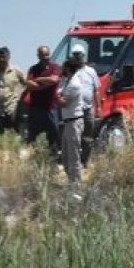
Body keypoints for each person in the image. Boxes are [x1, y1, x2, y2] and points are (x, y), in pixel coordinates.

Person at [56, 52, 87, 191]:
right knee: (65, 154)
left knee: (73, 155)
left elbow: (63, 103)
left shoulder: (74, 84)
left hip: (74, 122)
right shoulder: (66, 81)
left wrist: (54, 95)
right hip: (68, 122)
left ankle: (77, 186)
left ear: (68, 68)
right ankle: (71, 182)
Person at [24, 45, 61, 156]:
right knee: (33, 136)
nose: (46, 57)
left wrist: (39, 79)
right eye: (43, 55)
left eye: (47, 54)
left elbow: (54, 80)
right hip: (36, 108)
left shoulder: (55, 67)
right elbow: (30, 84)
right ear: (38, 56)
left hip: (51, 108)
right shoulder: (33, 69)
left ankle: (53, 158)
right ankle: (35, 158)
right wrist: (45, 85)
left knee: (53, 134)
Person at [71, 43, 100, 167]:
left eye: (79, 55)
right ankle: (76, 161)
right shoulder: (70, 71)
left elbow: (96, 90)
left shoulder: (91, 71)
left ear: (84, 56)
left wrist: (98, 107)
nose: (78, 58)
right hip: (75, 110)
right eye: (75, 55)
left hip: (88, 109)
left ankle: (86, 161)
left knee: (88, 137)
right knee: (75, 137)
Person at [0, 46, 25, 135]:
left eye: (4, 57)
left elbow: (25, 83)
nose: (1, 59)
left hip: (11, 107)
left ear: (9, 57)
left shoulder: (16, 70)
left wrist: (19, 96)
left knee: (13, 134)